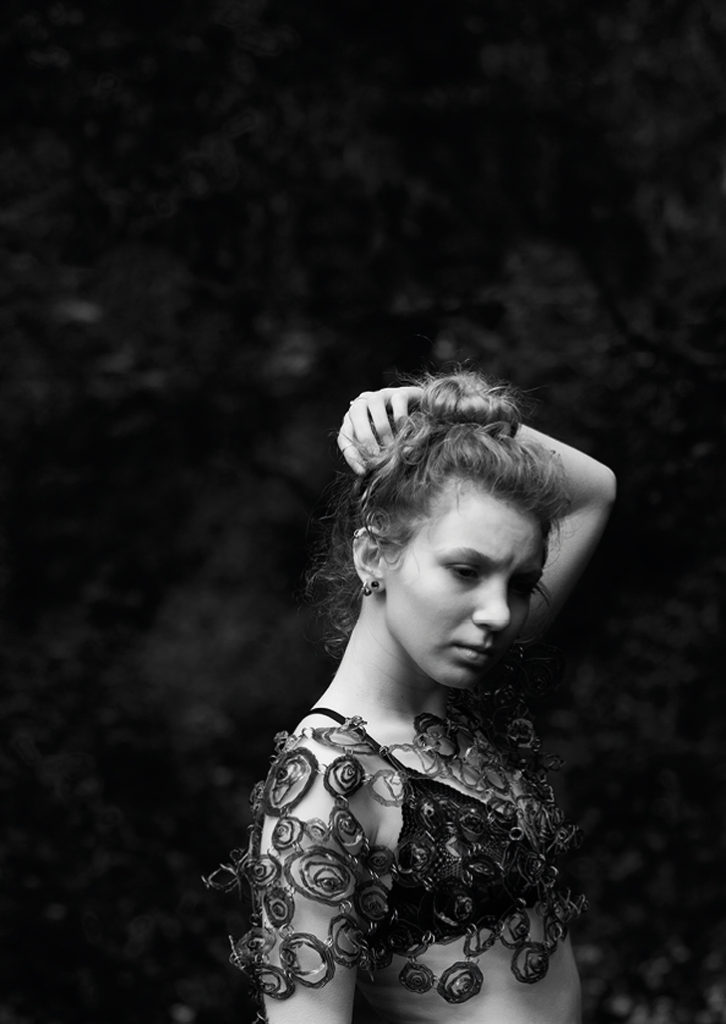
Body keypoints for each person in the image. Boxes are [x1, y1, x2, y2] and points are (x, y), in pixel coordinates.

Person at [206, 369, 616, 1024]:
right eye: (465, 570)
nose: (497, 613)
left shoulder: (463, 688)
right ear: (373, 557)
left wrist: (441, 414)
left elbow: (594, 491)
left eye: (520, 584)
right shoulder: (325, 781)